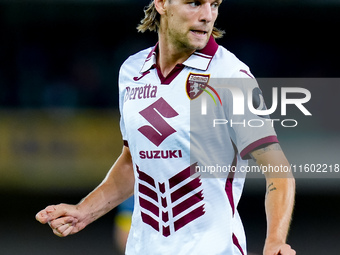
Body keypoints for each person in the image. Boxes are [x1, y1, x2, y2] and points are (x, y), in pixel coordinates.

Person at [36, 0, 296, 254]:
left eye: (214, 5)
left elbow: (278, 169)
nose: (207, 15)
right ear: (161, 4)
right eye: (194, 3)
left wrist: (274, 240)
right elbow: (131, 164)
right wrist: (83, 211)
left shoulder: (231, 76)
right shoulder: (132, 72)